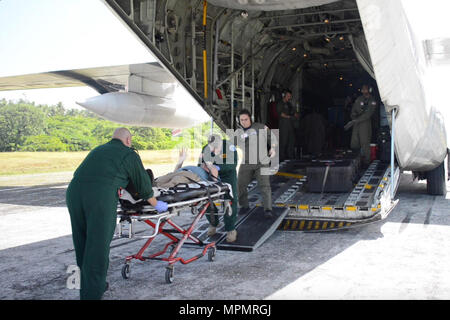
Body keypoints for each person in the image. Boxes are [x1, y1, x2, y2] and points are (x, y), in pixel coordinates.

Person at [65, 127, 168, 300]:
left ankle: (91, 284)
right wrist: (158, 204)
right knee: (97, 247)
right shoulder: (129, 154)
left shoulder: (98, 150)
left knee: (82, 243)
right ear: (128, 140)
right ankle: (92, 295)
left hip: (73, 194)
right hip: (98, 197)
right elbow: (144, 189)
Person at [235, 109, 277, 218]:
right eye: (241, 120)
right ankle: (244, 206)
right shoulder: (238, 133)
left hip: (261, 162)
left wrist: (272, 148)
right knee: (240, 185)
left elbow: (272, 137)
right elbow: (232, 145)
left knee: (265, 186)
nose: (244, 122)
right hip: (247, 163)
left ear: (251, 119)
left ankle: (268, 209)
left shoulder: (260, 127)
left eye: (246, 119)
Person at [198, 134, 239, 243]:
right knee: (207, 200)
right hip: (211, 176)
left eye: (217, 148)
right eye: (213, 148)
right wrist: (203, 166)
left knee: (229, 201)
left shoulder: (229, 147)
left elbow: (233, 164)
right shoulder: (206, 148)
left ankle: (230, 229)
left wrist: (217, 167)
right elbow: (200, 164)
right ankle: (213, 223)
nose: (215, 150)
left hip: (228, 177)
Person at [344, 85, 377, 166]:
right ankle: (355, 162)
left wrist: (355, 120)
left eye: (365, 89)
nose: (363, 91)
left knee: (365, 142)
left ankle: (366, 162)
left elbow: (368, 114)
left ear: (369, 90)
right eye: (362, 89)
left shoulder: (372, 100)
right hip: (356, 123)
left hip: (365, 123)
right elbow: (353, 111)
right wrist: (354, 117)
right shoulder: (359, 99)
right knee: (354, 142)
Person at [153, 148, 219, 188]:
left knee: (176, 180)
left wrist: (208, 163)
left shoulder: (213, 168)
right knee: (161, 179)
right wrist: (181, 160)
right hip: (181, 172)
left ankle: (158, 191)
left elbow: (215, 179)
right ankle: (151, 186)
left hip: (193, 176)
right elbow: (175, 171)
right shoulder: (199, 166)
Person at [276, 89, 296, 161]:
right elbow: (280, 113)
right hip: (283, 126)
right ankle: (281, 158)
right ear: (284, 95)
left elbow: (293, 113)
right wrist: (289, 117)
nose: (289, 97)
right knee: (283, 142)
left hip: (290, 126)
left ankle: (290, 157)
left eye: (290, 96)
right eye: (288, 96)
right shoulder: (280, 103)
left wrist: (294, 114)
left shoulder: (289, 104)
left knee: (291, 141)